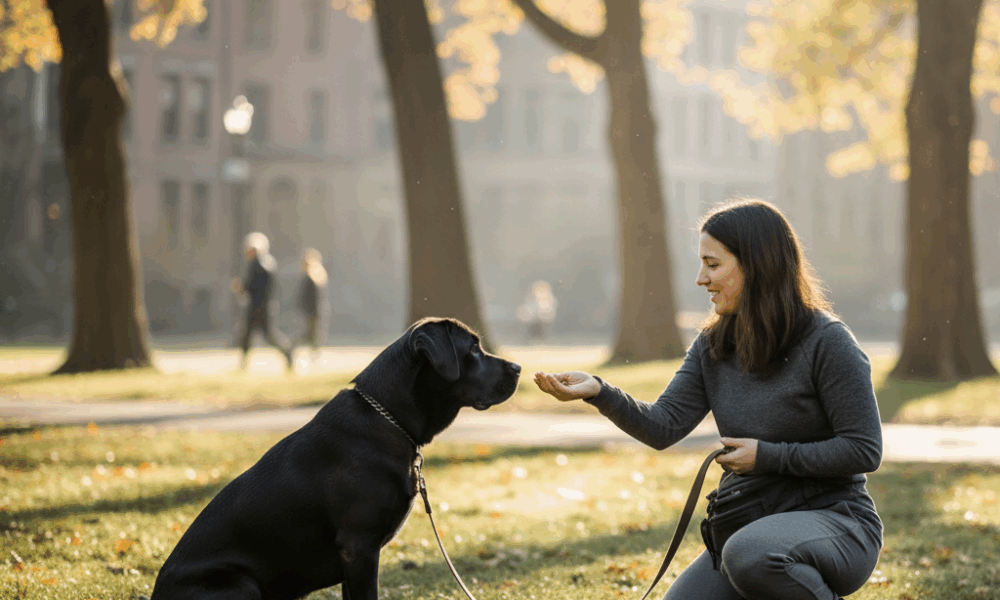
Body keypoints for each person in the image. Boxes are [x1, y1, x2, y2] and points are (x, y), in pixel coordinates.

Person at [533, 198, 882, 600]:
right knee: (729, 563)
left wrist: (768, 457)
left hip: (836, 522)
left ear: (756, 265)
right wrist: (600, 391)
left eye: (713, 265)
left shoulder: (828, 342)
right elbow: (663, 426)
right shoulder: (712, 345)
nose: (701, 279)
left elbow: (864, 449)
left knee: (750, 554)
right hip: (749, 524)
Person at [230, 232, 295, 371]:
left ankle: (288, 351)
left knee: (268, 336)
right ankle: (243, 364)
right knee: (248, 336)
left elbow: (254, 287)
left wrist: (241, 287)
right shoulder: (267, 263)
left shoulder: (258, 265)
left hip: (259, 307)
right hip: (263, 306)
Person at [295, 248, 329, 362]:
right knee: (311, 334)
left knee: (311, 335)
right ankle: (296, 349)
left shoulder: (312, 277)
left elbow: (308, 297)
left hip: (313, 311)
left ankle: (293, 349)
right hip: (314, 311)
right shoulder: (318, 277)